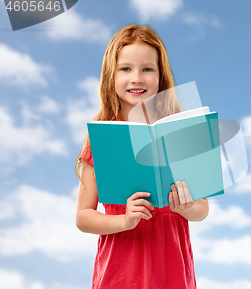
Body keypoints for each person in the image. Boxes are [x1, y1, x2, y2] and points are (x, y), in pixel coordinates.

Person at [75, 24, 209, 289]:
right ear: (110, 76)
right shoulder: (100, 139)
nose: (137, 78)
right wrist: (124, 220)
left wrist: (189, 208)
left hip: (172, 273)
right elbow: (83, 217)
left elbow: (203, 208)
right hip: (121, 274)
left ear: (161, 76)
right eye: (125, 69)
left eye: (148, 69)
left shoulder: (182, 132)